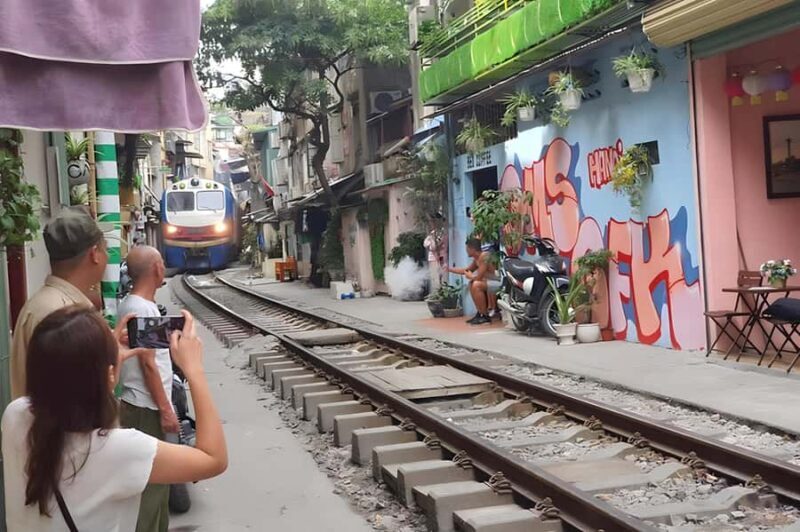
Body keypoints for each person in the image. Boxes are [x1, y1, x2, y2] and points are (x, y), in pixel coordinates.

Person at [1, 306, 227, 531]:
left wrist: (101, 360)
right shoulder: (119, 450)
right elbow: (213, 459)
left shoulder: (14, 417)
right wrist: (194, 370)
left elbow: (61, 386)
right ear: (109, 375)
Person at [10, 208, 108, 399]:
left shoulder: (47, 303)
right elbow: (72, 399)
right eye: (106, 249)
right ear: (94, 254)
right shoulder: (61, 314)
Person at [117, 246, 177, 532]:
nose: (164, 267)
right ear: (155, 268)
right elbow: (149, 365)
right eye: (162, 263)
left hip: (141, 405)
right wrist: (166, 410)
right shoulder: (141, 308)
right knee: (152, 489)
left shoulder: (136, 304)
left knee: (157, 488)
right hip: (147, 408)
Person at [447, 237, 501, 325]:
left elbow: (478, 277)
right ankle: (480, 313)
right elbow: (466, 270)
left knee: (476, 284)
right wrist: (449, 269)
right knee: (472, 283)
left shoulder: (484, 256)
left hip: (496, 283)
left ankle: (485, 316)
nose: (466, 251)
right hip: (488, 283)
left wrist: (471, 276)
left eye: (467, 248)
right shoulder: (477, 259)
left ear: (472, 248)